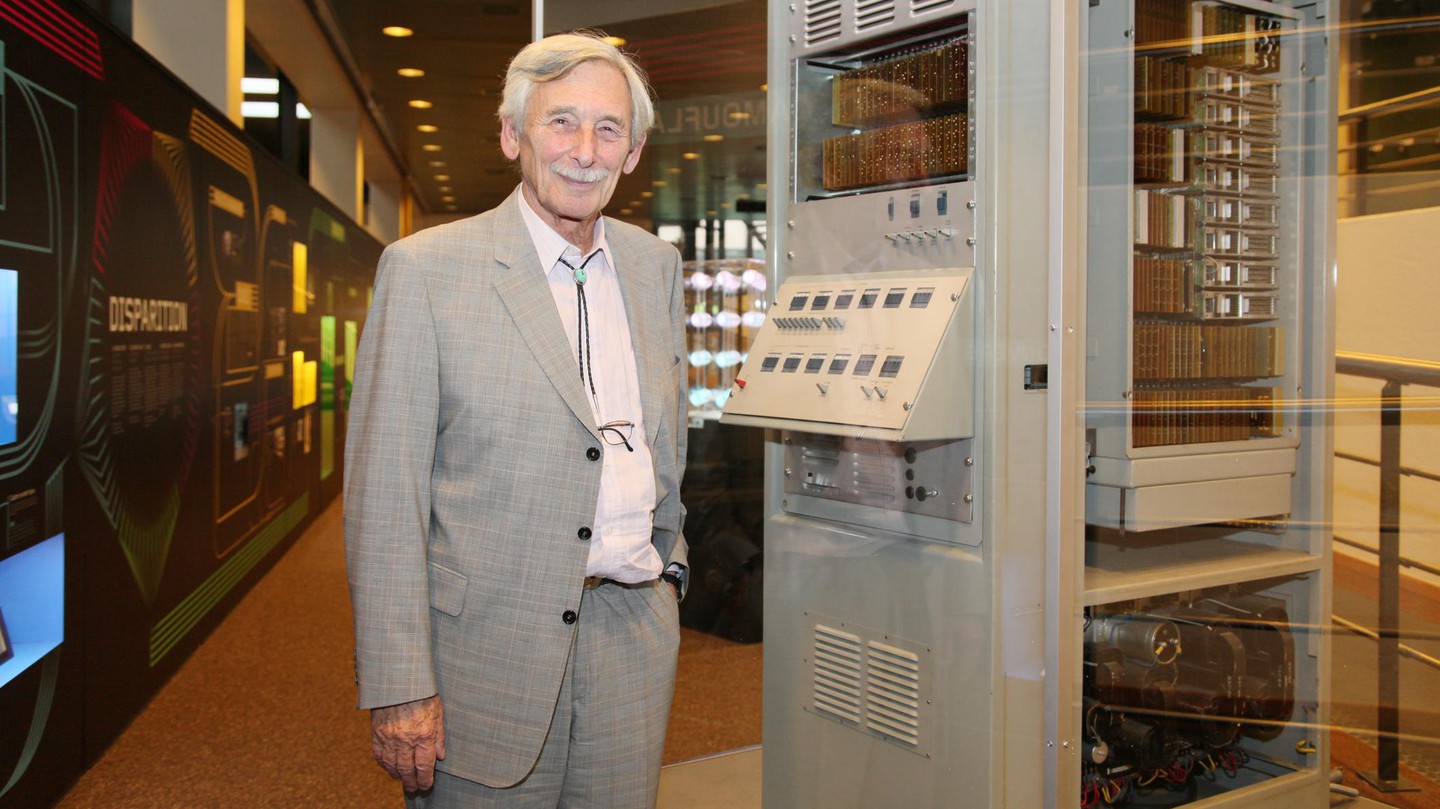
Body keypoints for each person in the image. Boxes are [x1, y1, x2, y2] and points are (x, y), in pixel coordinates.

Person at [344, 31, 689, 808]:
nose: (584, 150)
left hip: (631, 639)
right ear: (512, 136)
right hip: (483, 658)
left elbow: (663, 447)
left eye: (609, 130)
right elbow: (385, 500)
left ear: (633, 151)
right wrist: (400, 685)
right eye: (560, 122)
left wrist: (671, 570)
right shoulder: (426, 270)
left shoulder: (654, 266)